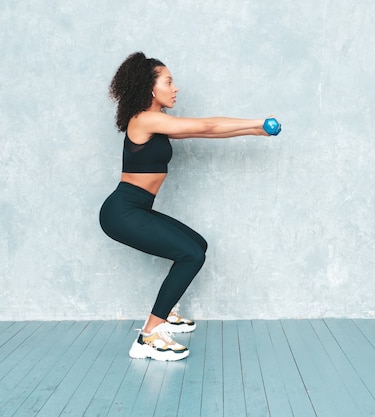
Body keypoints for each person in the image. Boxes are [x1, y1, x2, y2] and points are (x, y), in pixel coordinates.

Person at [99, 52, 281, 361]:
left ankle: (163, 314)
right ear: (149, 88)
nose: (175, 88)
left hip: (135, 209)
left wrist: (256, 129)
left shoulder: (158, 121)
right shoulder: (144, 119)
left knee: (197, 245)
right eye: (168, 82)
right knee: (191, 254)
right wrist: (255, 122)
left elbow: (205, 129)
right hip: (122, 212)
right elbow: (208, 126)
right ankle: (149, 336)